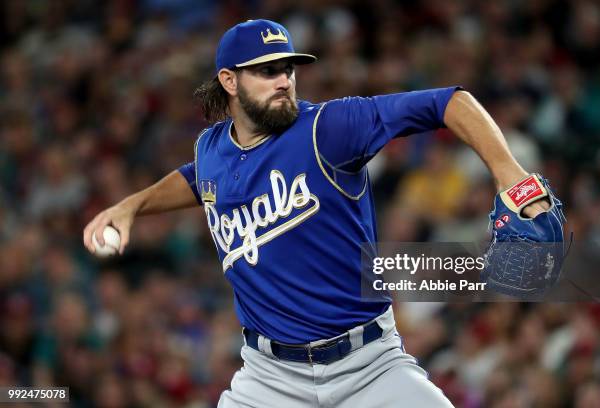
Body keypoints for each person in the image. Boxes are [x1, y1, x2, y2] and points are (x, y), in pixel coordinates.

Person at [84, 19, 553, 407]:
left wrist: (508, 172)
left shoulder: (328, 128)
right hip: (268, 380)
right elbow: (197, 179)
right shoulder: (211, 148)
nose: (283, 79)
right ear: (229, 81)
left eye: (288, 68)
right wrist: (132, 206)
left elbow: (449, 101)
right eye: (266, 71)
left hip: (369, 367)